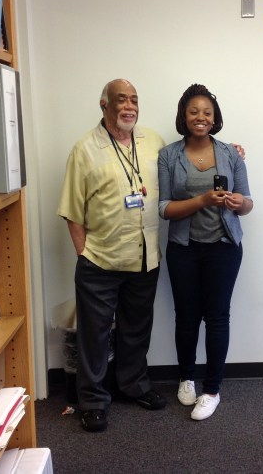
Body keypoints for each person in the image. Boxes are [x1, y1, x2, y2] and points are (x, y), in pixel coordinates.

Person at [57, 79, 167, 432]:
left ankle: (134, 385)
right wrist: (84, 255)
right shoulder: (85, 149)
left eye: (134, 99)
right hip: (100, 260)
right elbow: (72, 211)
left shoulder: (154, 142)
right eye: (122, 100)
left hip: (145, 257)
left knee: (136, 328)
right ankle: (92, 400)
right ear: (104, 105)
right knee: (94, 335)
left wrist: (226, 151)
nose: (129, 106)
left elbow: (184, 165)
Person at [158, 83, 254, 421]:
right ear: (184, 117)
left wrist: (239, 203)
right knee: (186, 317)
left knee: (217, 318)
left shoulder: (231, 153)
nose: (201, 117)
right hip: (183, 249)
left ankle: (212, 390)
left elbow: (248, 202)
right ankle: (186, 378)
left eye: (207, 112)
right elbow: (164, 208)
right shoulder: (168, 155)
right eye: (194, 111)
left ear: (215, 119)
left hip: (223, 249)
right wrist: (201, 200)